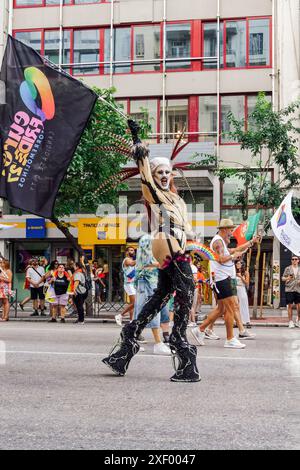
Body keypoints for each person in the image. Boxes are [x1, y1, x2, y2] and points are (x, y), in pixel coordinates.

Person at [103, 120, 200, 382]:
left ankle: (127, 342)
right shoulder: (153, 192)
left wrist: (193, 237)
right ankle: (182, 349)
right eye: (160, 173)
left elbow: (187, 229)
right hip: (167, 244)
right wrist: (136, 138)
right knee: (186, 294)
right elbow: (144, 170)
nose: (164, 176)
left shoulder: (177, 200)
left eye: (168, 172)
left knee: (160, 297)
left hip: (176, 247)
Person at [191, 219, 259, 349]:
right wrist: (234, 256)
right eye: (230, 230)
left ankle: (199, 330)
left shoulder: (221, 242)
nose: (232, 233)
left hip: (226, 279)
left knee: (222, 309)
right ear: (223, 229)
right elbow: (221, 259)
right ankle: (229, 339)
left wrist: (251, 242)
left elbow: (235, 249)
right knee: (231, 308)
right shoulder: (217, 242)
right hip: (223, 279)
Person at [134, 234, 171, 355]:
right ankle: (158, 343)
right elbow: (147, 261)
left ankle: (130, 340)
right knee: (152, 310)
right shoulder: (148, 239)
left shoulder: (154, 238)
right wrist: (165, 264)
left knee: (142, 312)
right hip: (147, 280)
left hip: (151, 280)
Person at [115, 246, 136, 326]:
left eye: (133, 250)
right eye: (130, 250)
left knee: (132, 303)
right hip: (129, 284)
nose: (132, 252)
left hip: (133, 284)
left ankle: (131, 320)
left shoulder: (132, 260)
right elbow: (132, 263)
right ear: (127, 252)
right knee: (134, 302)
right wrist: (142, 258)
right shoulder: (127, 260)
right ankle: (119, 316)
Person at [282, 255, 300, 328]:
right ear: (291, 260)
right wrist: (287, 278)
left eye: (296, 259)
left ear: (298, 260)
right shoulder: (288, 268)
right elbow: (282, 278)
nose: (294, 260)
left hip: (298, 289)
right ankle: (290, 321)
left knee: (299, 306)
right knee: (289, 305)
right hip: (289, 289)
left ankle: (298, 320)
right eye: (293, 259)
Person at [236, 260, 251, 327]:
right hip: (235, 290)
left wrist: (241, 277)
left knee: (243, 305)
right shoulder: (234, 272)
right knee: (236, 306)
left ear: (242, 265)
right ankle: (237, 321)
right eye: (236, 263)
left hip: (241, 288)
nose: (237, 264)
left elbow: (247, 283)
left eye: (238, 263)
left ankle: (246, 321)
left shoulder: (246, 273)